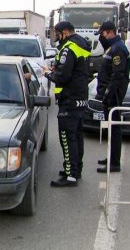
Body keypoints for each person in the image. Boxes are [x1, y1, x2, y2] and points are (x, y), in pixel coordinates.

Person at [42, 21, 91, 187]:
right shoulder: (81, 45)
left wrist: (48, 73)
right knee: (76, 137)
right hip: (79, 98)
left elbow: (62, 76)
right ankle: (75, 170)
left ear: (64, 32)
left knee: (67, 138)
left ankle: (70, 176)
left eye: (57, 33)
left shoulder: (69, 48)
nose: (56, 36)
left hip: (69, 100)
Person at [94, 21, 130, 173]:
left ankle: (115, 163)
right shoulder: (112, 47)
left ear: (109, 32)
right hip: (109, 94)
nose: (101, 37)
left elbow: (117, 75)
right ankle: (111, 157)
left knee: (114, 130)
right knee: (111, 130)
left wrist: (108, 94)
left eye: (103, 34)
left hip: (113, 96)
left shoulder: (117, 49)